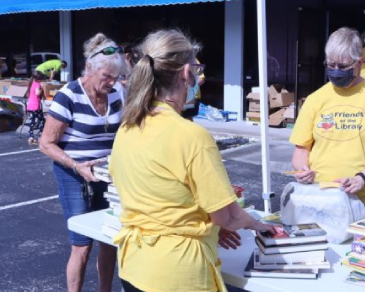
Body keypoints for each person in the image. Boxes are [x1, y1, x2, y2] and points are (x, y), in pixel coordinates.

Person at [109, 29, 279, 292]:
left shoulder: (128, 127)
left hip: (134, 264)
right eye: (198, 68)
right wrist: (255, 224)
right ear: (185, 73)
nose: (201, 77)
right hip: (177, 273)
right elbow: (226, 217)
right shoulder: (191, 136)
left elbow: (156, 195)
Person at [39, 33, 127, 292]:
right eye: (106, 77)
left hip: (106, 174)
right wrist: (77, 166)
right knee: (82, 244)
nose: (111, 83)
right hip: (74, 174)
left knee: (110, 238)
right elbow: (46, 143)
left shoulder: (117, 92)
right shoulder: (69, 95)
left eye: (115, 77)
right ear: (89, 69)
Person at [290, 27, 365, 210]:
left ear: (359, 63)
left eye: (343, 67)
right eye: (331, 65)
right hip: (320, 195)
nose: (336, 71)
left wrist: (362, 178)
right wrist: (302, 170)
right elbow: (301, 151)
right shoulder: (315, 99)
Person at [25, 72, 46, 145]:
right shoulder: (37, 84)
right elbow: (37, 93)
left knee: (32, 121)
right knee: (42, 120)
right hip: (36, 105)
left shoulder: (31, 83)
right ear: (39, 79)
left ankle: (31, 137)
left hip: (30, 105)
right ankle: (41, 134)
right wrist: (41, 89)